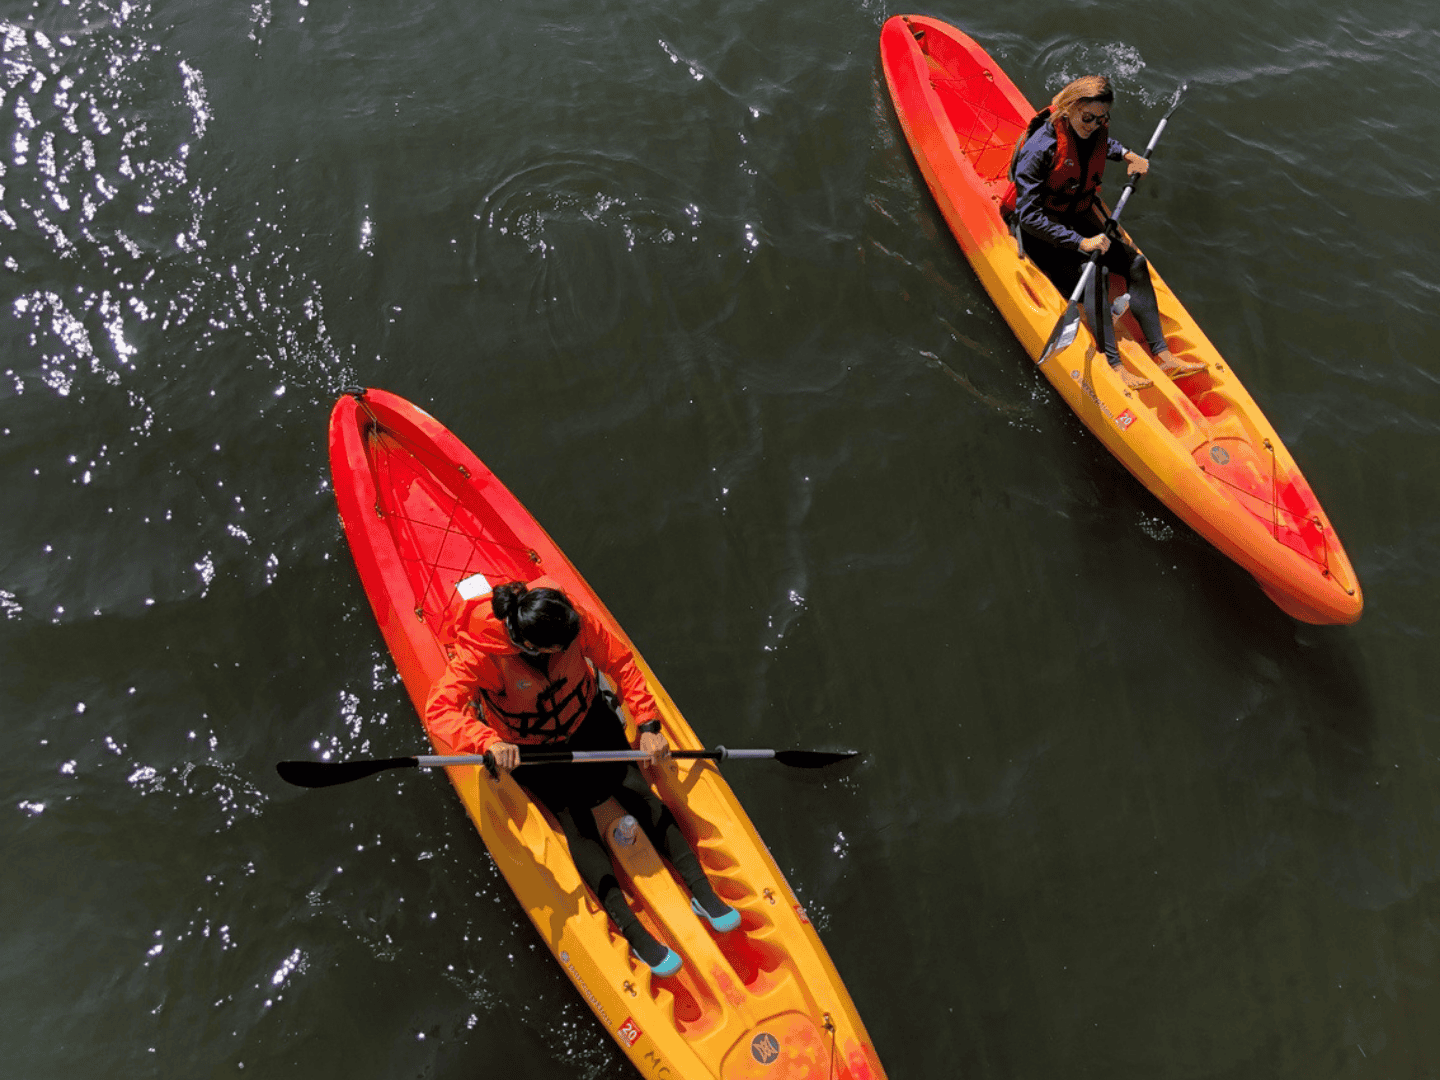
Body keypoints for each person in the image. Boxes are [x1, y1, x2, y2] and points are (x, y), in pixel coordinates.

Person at [424, 578, 740, 976]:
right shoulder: (479, 655)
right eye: (565, 645)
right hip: (535, 750)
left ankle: (702, 892)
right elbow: (439, 711)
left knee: (639, 791)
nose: (577, 642)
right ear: (537, 646)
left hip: (590, 721)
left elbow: (621, 662)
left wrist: (647, 723)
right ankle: (634, 933)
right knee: (577, 822)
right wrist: (484, 739)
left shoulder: (566, 620)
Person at [1002, 75, 1206, 390]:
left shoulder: (1093, 129)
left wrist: (1128, 155)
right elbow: (1028, 216)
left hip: (1078, 214)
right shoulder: (1041, 148)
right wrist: (1080, 241)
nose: (1094, 125)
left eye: (1102, 118)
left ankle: (1164, 356)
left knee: (1135, 263)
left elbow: (1102, 145)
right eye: (1088, 118)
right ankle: (1113, 364)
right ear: (1069, 108)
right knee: (1093, 270)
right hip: (1045, 233)